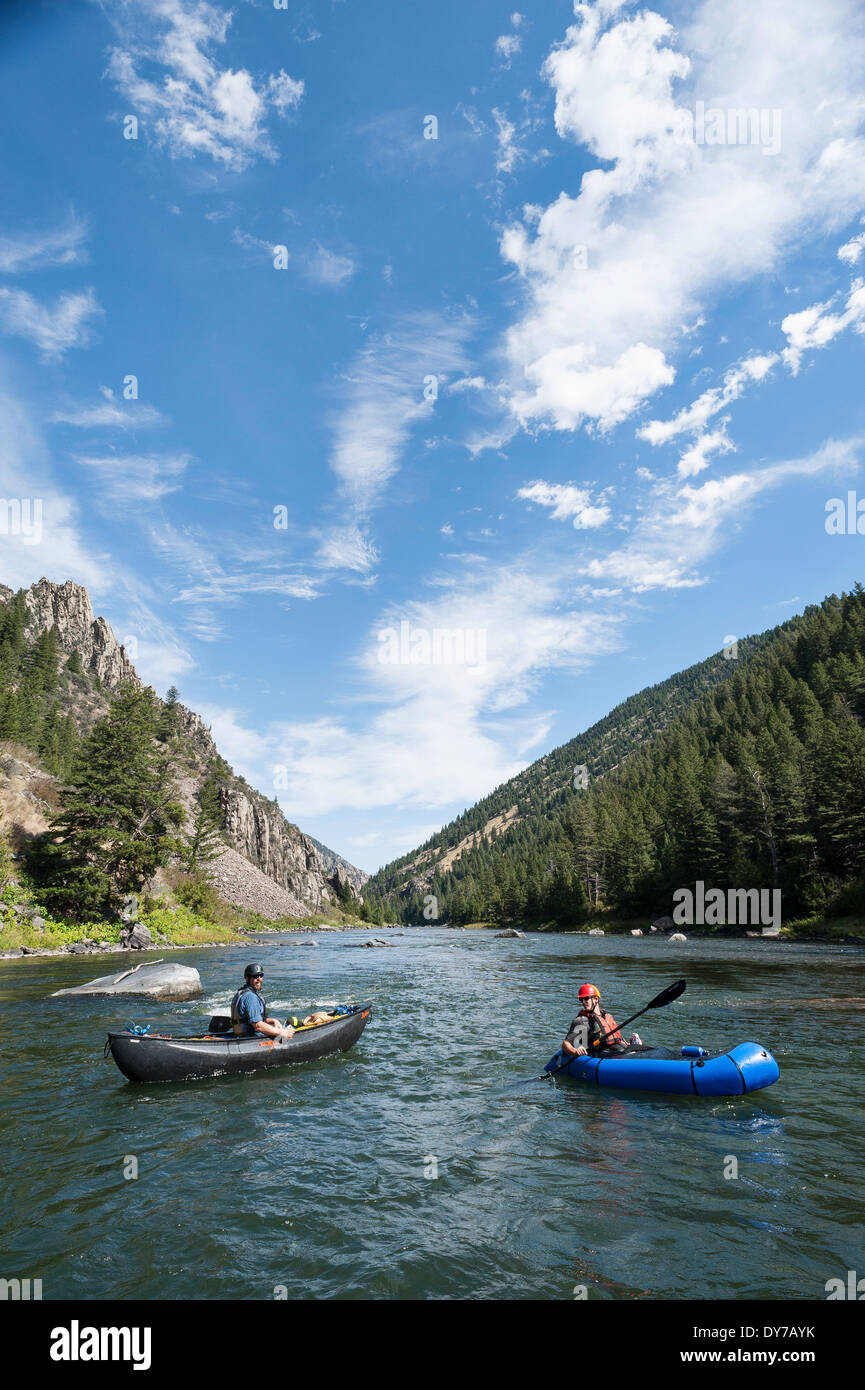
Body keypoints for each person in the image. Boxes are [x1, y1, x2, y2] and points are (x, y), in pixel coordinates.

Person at [562, 982, 642, 1057]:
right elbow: (566, 1044)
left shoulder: (606, 1016)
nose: (583, 1002)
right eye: (581, 999)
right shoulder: (582, 1020)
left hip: (617, 1050)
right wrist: (575, 1051)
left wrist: (628, 1044)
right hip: (602, 1055)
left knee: (638, 1048)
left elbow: (615, 1039)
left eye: (586, 998)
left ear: (596, 999)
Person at [230, 964, 294, 1041]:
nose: (259, 979)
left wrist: (273, 1020)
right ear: (247, 979)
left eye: (261, 976)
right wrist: (282, 1032)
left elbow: (250, 1019)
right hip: (251, 1039)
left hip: (240, 1036)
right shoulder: (251, 997)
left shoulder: (241, 993)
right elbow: (258, 1025)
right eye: (255, 976)